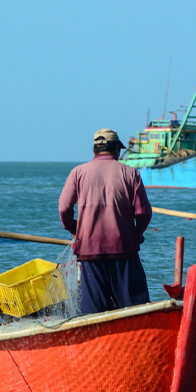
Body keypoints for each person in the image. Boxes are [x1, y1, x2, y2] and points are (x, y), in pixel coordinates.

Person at [58, 129, 152, 314]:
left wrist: (77, 230)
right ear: (117, 149)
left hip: (90, 252)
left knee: (95, 314)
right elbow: (143, 212)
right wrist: (136, 234)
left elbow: (63, 208)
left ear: (94, 150)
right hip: (124, 251)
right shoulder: (130, 173)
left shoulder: (78, 172)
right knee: (137, 311)